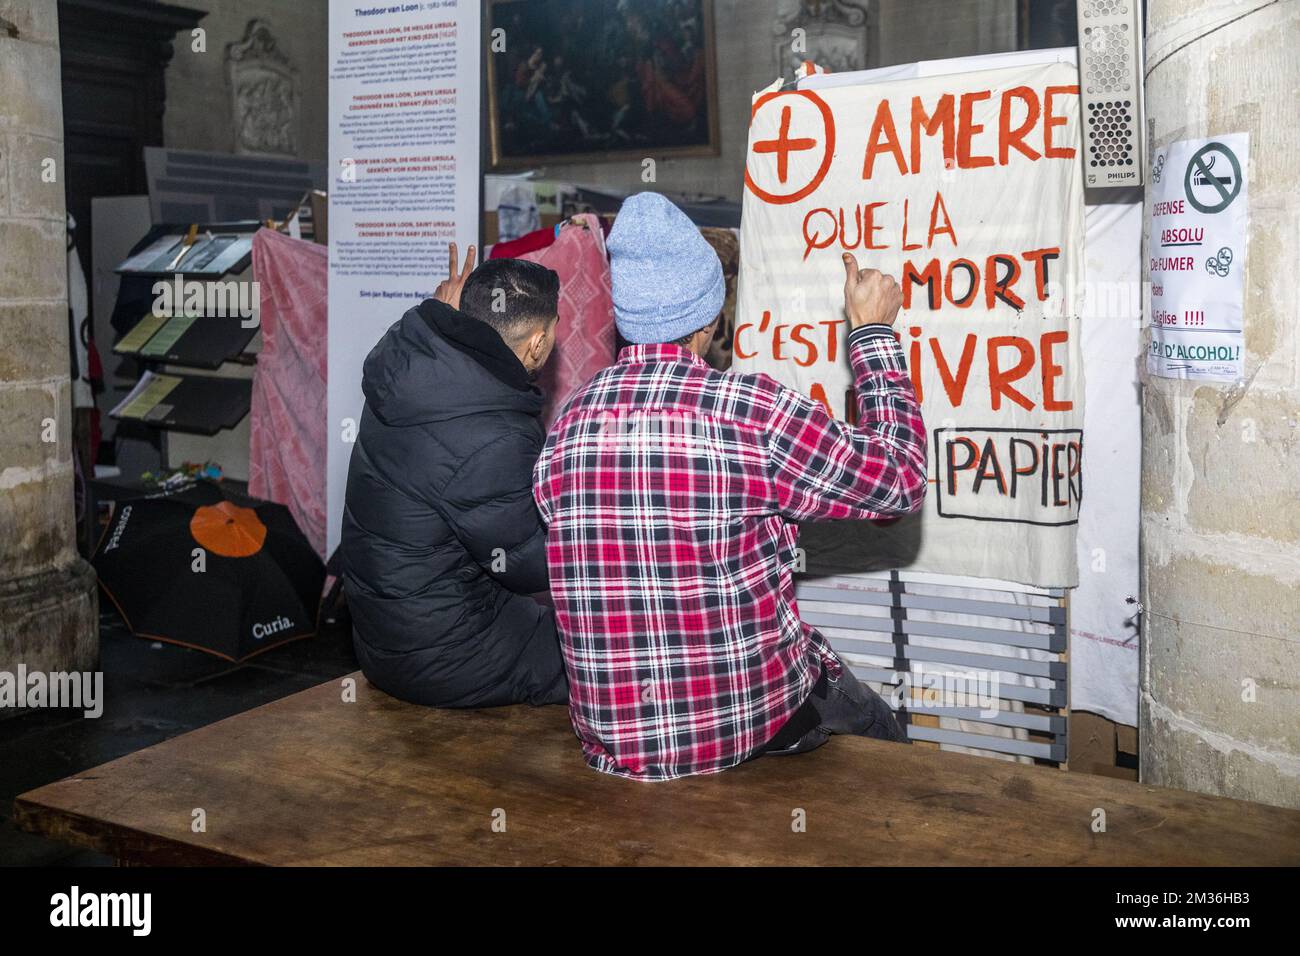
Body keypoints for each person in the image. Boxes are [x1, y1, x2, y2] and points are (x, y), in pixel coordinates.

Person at [533, 193, 928, 780]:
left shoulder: (567, 427)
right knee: (888, 745)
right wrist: (872, 333)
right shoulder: (750, 412)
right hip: (744, 726)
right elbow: (900, 479)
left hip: (614, 747)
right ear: (710, 319)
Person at [342, 246, 567, 707]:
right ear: (537, 344)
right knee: (625, 657)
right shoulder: (492, 433)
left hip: (389, 636)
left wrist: (439, 313)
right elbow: (529, 566)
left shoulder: (411, 362)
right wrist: (610, 505)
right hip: (447, 656)